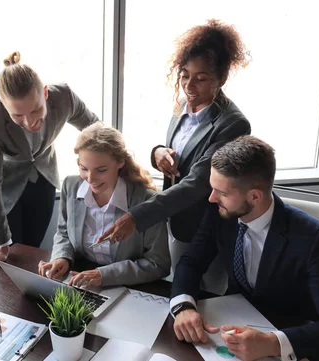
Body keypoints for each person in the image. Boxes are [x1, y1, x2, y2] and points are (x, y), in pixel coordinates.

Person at [170, 136, 319, 361]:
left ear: (255, 196)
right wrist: (183, 307)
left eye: (221, 192)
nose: (211, 198)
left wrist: (272, 343)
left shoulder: (312, 237)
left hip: (290, 332)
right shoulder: (218, 213)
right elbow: (192, 261)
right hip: (232, 327)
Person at [97, 20, 251, 289]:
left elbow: (198, 182)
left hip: (206, 227)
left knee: (203, 296)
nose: (189, 86)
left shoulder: (234, 125)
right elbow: (178, 150)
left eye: (201, 79)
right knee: (175, 291)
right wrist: (157, 153)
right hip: (175, 220)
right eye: (184, 75)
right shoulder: (183, 105)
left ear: (222, 78)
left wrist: (137, 216)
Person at [0, 51, 100, 268]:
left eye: (36, 110)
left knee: (33, 252)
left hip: (44, 179)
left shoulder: (64, 97)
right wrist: (2, 244)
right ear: (3, 104)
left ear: (45, 93)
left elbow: (97, 131)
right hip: (6, 188)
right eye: (18, 116)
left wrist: (115, 167)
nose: (30, 122)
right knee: (9, 259)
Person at [38, 124, 170, 287]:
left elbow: (158, 264)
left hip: (128, 288)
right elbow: (64, 232)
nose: (90, 178)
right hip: (79, 280)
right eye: (83, 168)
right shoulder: (71, 186)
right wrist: (61, 257)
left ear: (120, 161)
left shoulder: (147, 201)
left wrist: (105, 275)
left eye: (101, 170)